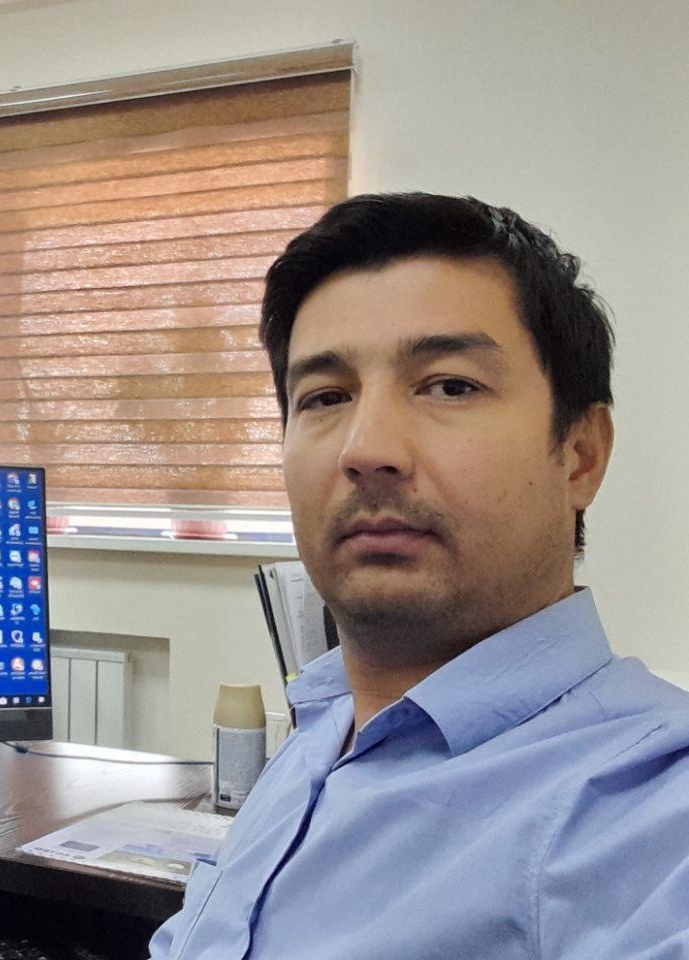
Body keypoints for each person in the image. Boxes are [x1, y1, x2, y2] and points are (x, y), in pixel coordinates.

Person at [149, 193, 689, 959]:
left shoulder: (651, 809)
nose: (366, 449)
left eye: (449, 386)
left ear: (580, 454)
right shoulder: (322, 729)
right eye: (325, 397)